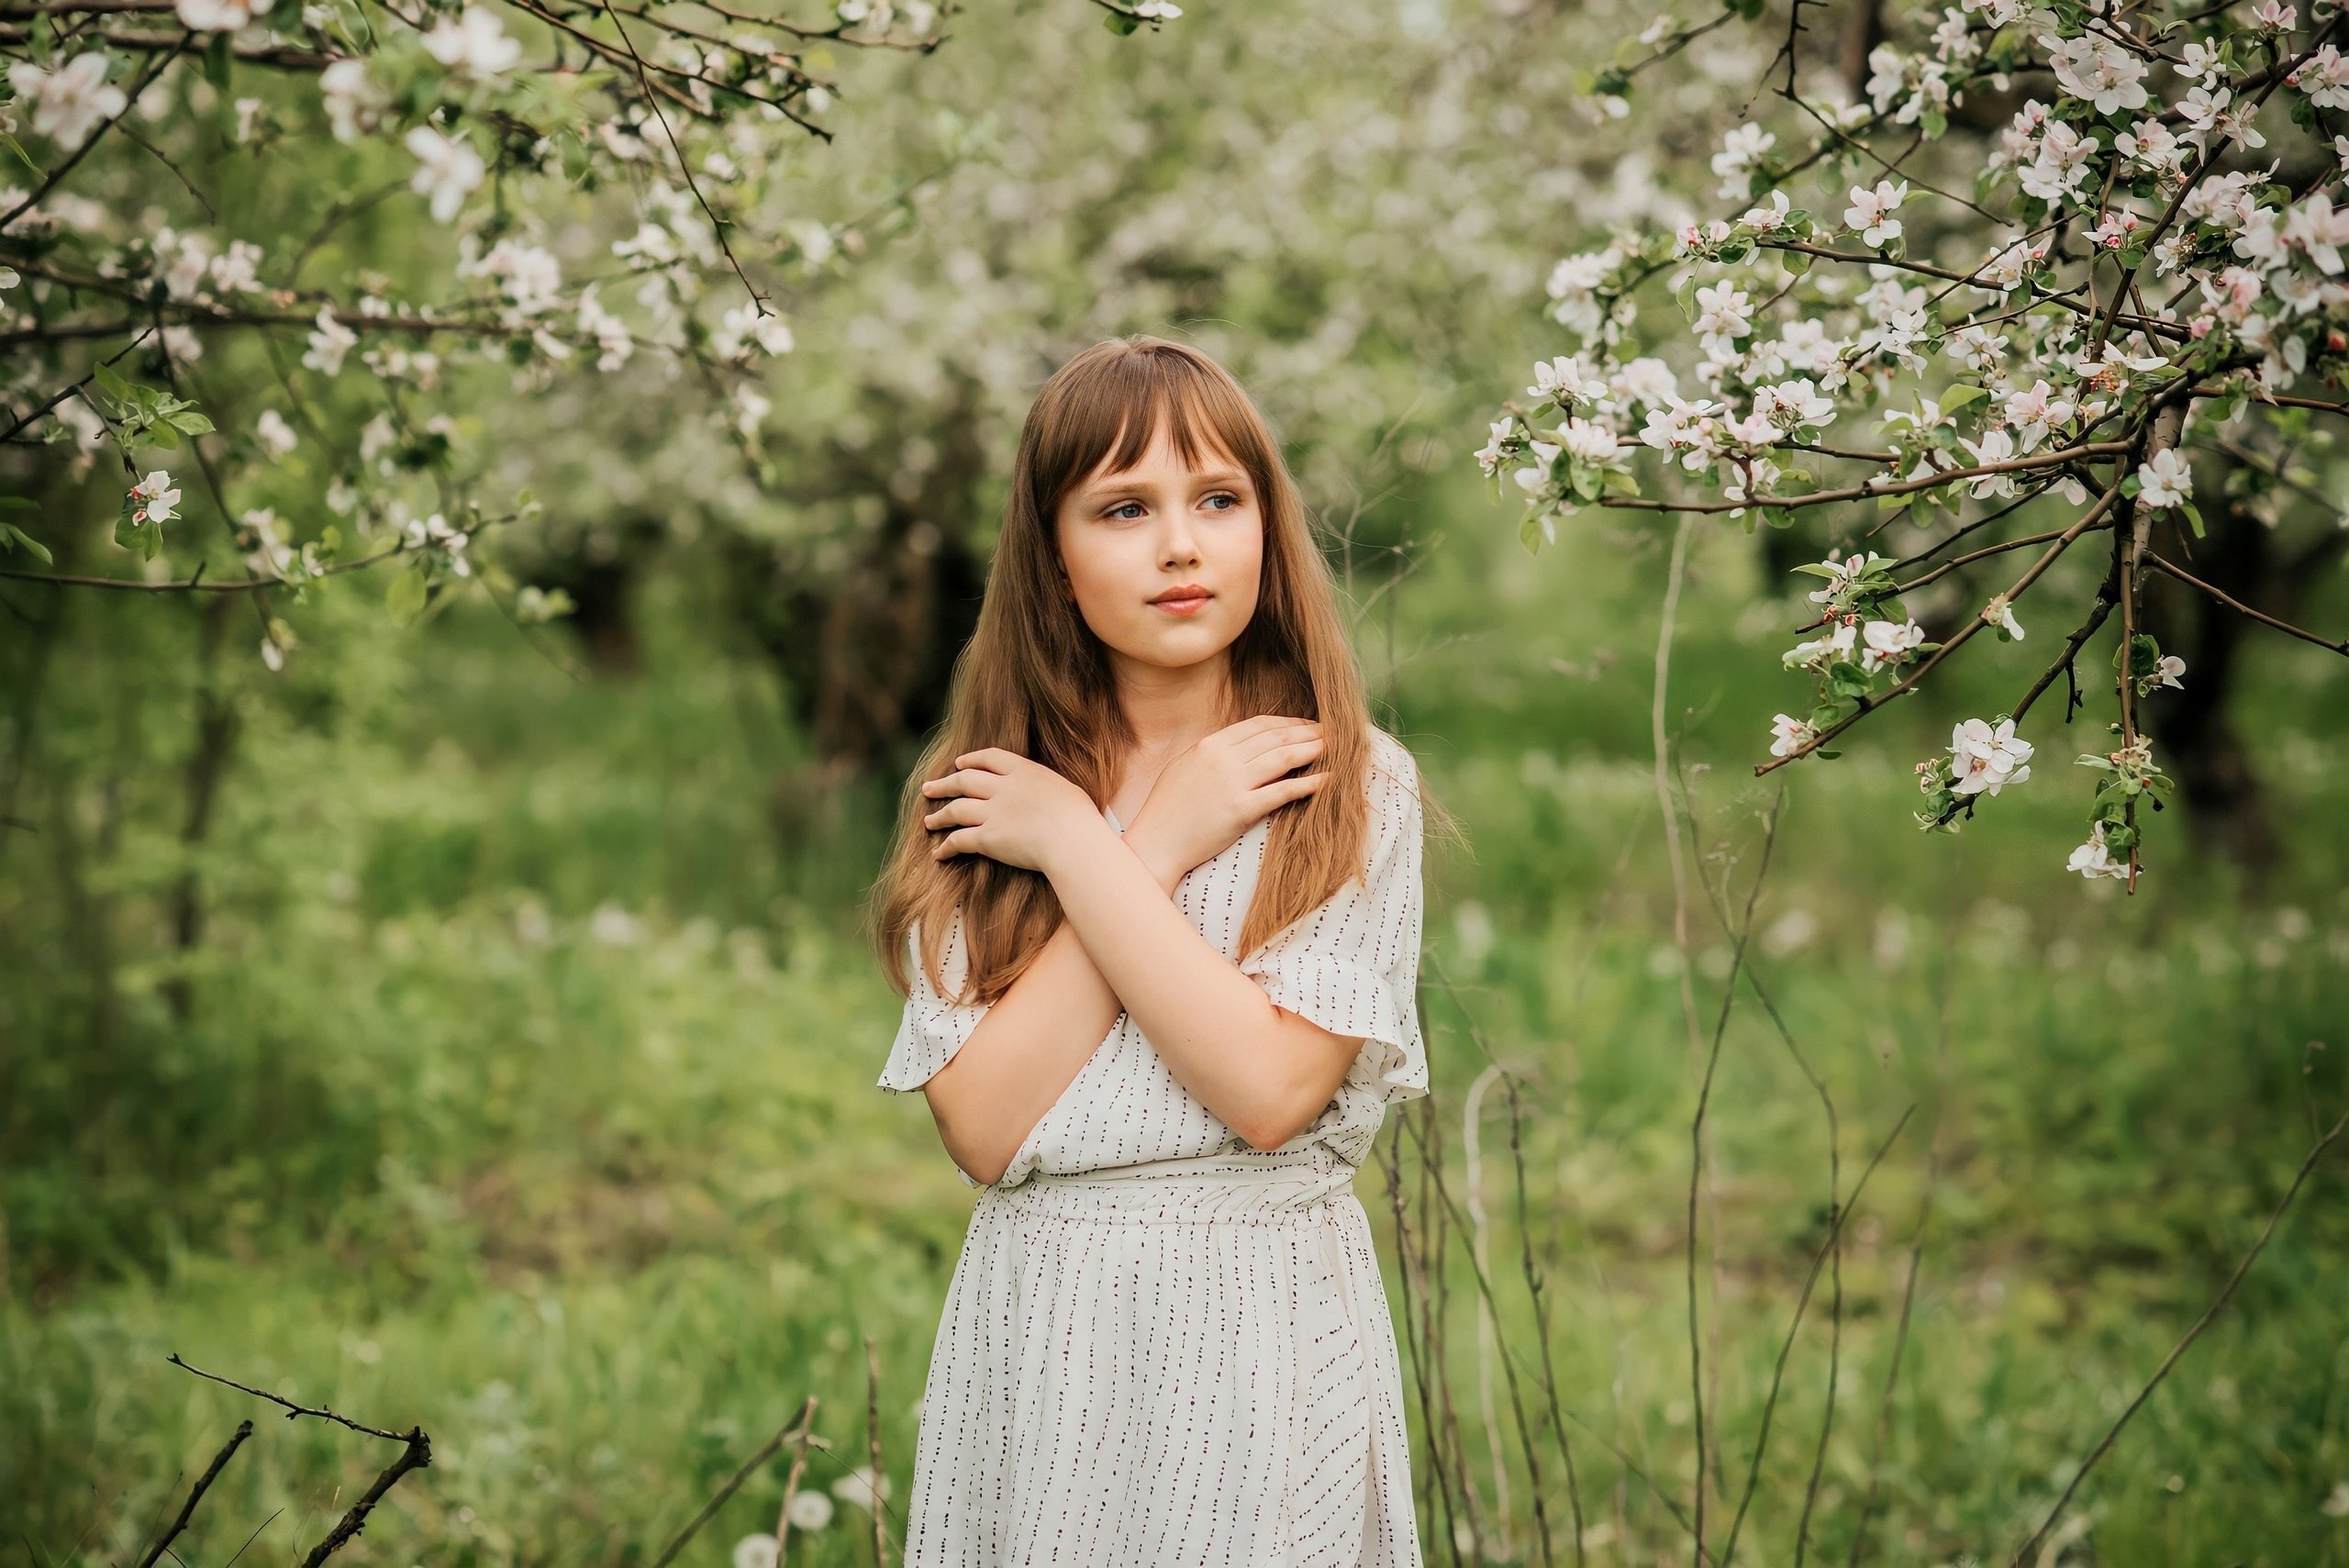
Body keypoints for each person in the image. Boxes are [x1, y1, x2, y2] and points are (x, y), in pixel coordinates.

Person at [865, 332, 1447, 1566]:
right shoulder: (993, 804)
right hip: (1047, 1329)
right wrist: (1135, 839)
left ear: (1265, 533)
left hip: (1260, 1324)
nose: (1181, 545)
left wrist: (1101, 850)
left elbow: (1271, 1091)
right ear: (1055, 557)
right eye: (1125, 507)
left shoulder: (1345, 788)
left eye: (1218, 499)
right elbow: (986, 1127)